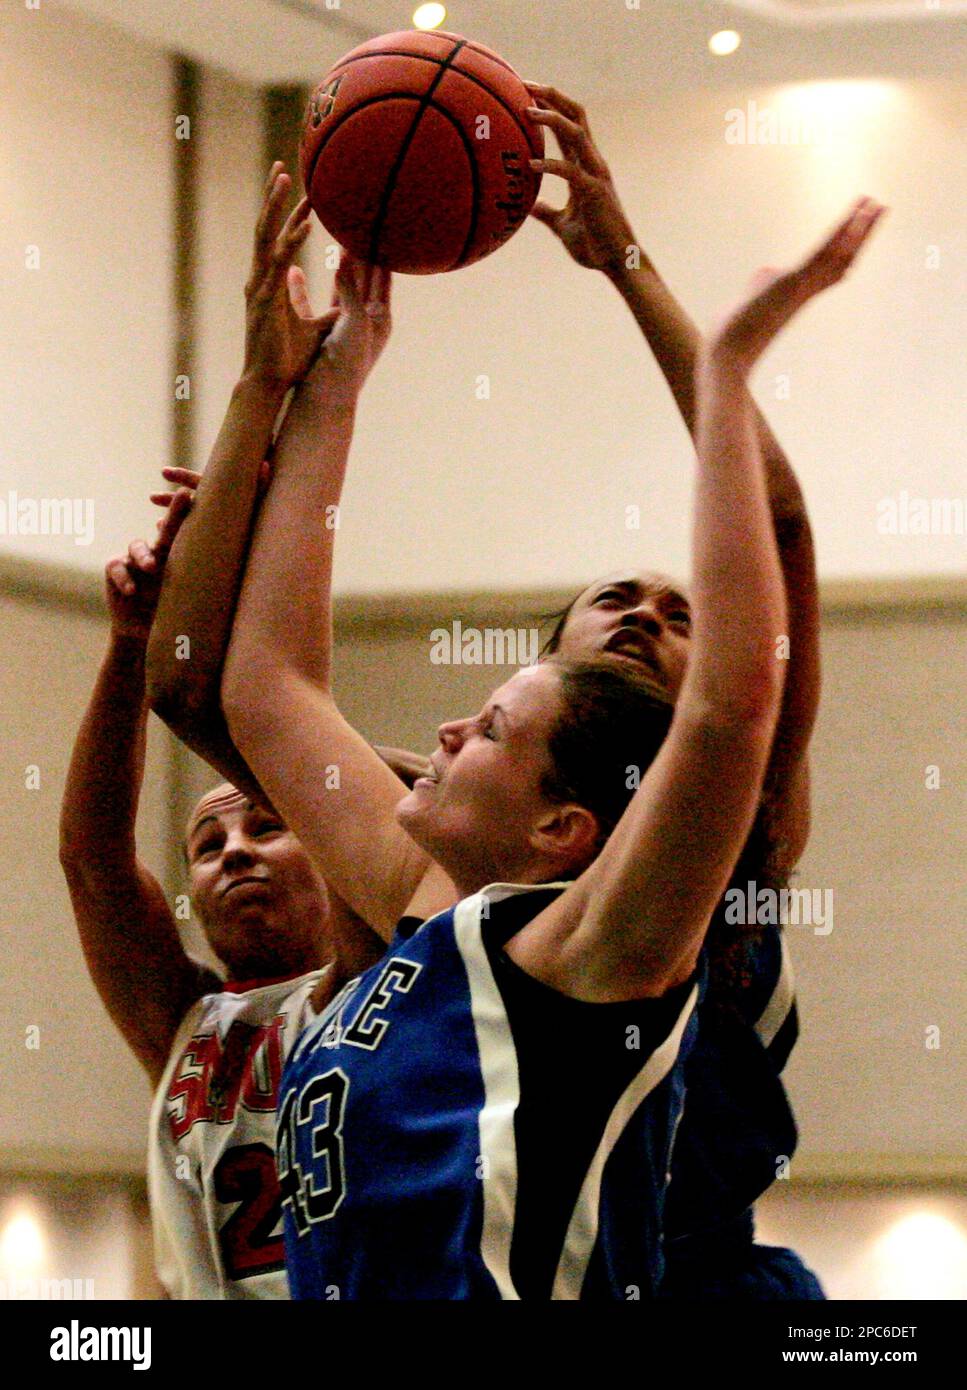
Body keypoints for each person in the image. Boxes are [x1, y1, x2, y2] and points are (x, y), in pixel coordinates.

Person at [209, 160, 881, 1296]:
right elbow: (262, 685)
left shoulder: (605, 936)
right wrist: (325, 383)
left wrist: (720, 366)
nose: (442, 727)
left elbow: (732, 704)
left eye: (490, 726)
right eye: (615, 602)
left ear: (568, 824)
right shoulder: (441, 914)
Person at [58, 497, 335, 1298]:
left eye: (268, 825)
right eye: (208, 848)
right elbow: (92, 860)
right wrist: (128, 649)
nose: (236, 850)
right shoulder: (182, 1021)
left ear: (329, 848)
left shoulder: (385, 970)